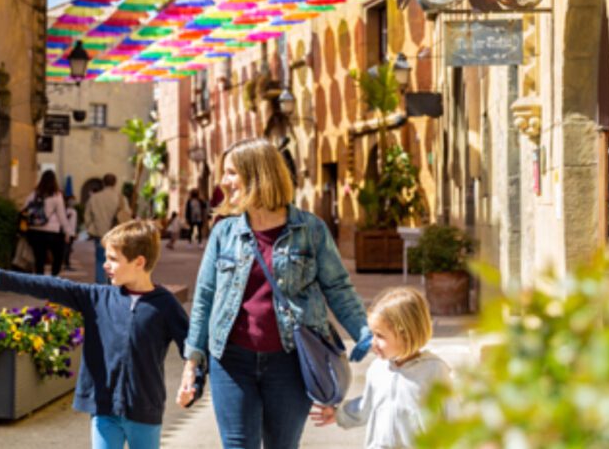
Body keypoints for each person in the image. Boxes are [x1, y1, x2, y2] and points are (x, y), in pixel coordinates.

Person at [177, 138, 371, 449]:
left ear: (257, 174)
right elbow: (204, 298)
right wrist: (193, 361)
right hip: (231, 359)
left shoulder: (311, 230)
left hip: (291, 360)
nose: (223, 181)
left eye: (231, 172)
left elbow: (337, 287)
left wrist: (361, 329)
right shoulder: (224, 233)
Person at [0, 220, 188, 449]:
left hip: (144, 410)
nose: (105, 265)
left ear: (139, 262)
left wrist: (192, 382)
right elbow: (52, 286)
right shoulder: (97, 297)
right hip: (103, 409)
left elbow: (191, 348)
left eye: (113, 259)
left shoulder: (165, 305)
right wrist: (2, 278)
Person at [310, 287, 451, 448]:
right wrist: (339, 414)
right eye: (372, 335)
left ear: (406, 334)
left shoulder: (435, 371)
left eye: (380, 336)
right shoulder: (378, 369)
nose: (372, 342)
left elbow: (453, 416)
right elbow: (366, 406)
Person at [84, 173, 131, 284]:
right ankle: (112, 282)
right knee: (115, 259)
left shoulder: (95, 198)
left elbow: (87, 216)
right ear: (115, 183)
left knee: (100, 259)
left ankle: (100, 285)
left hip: (100, 234)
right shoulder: (121, 198)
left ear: (103, 183)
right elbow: (127, 215)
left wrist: (91, 227)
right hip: (116, 235)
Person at [23, 170, 70, 276]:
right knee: (58, 256)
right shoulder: (57, 196)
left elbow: (25, 209)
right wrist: (67, 232)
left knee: (39, 259)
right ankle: (53, 277)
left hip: (35, 230)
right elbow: (61, 215)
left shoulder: (34, 194)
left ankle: (40, 283)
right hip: (53, 232)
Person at [64, 195, 79, 271]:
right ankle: (66, 264)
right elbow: (65, 222)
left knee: (69, 249)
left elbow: (75, 223)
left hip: (72, 233)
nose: (72, 202)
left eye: (73, 200)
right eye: (71, 200)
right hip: (67, 233)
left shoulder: (74, 211)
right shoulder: (66, 211)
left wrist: (76, 232)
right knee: (66, 249)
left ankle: (67, 264)